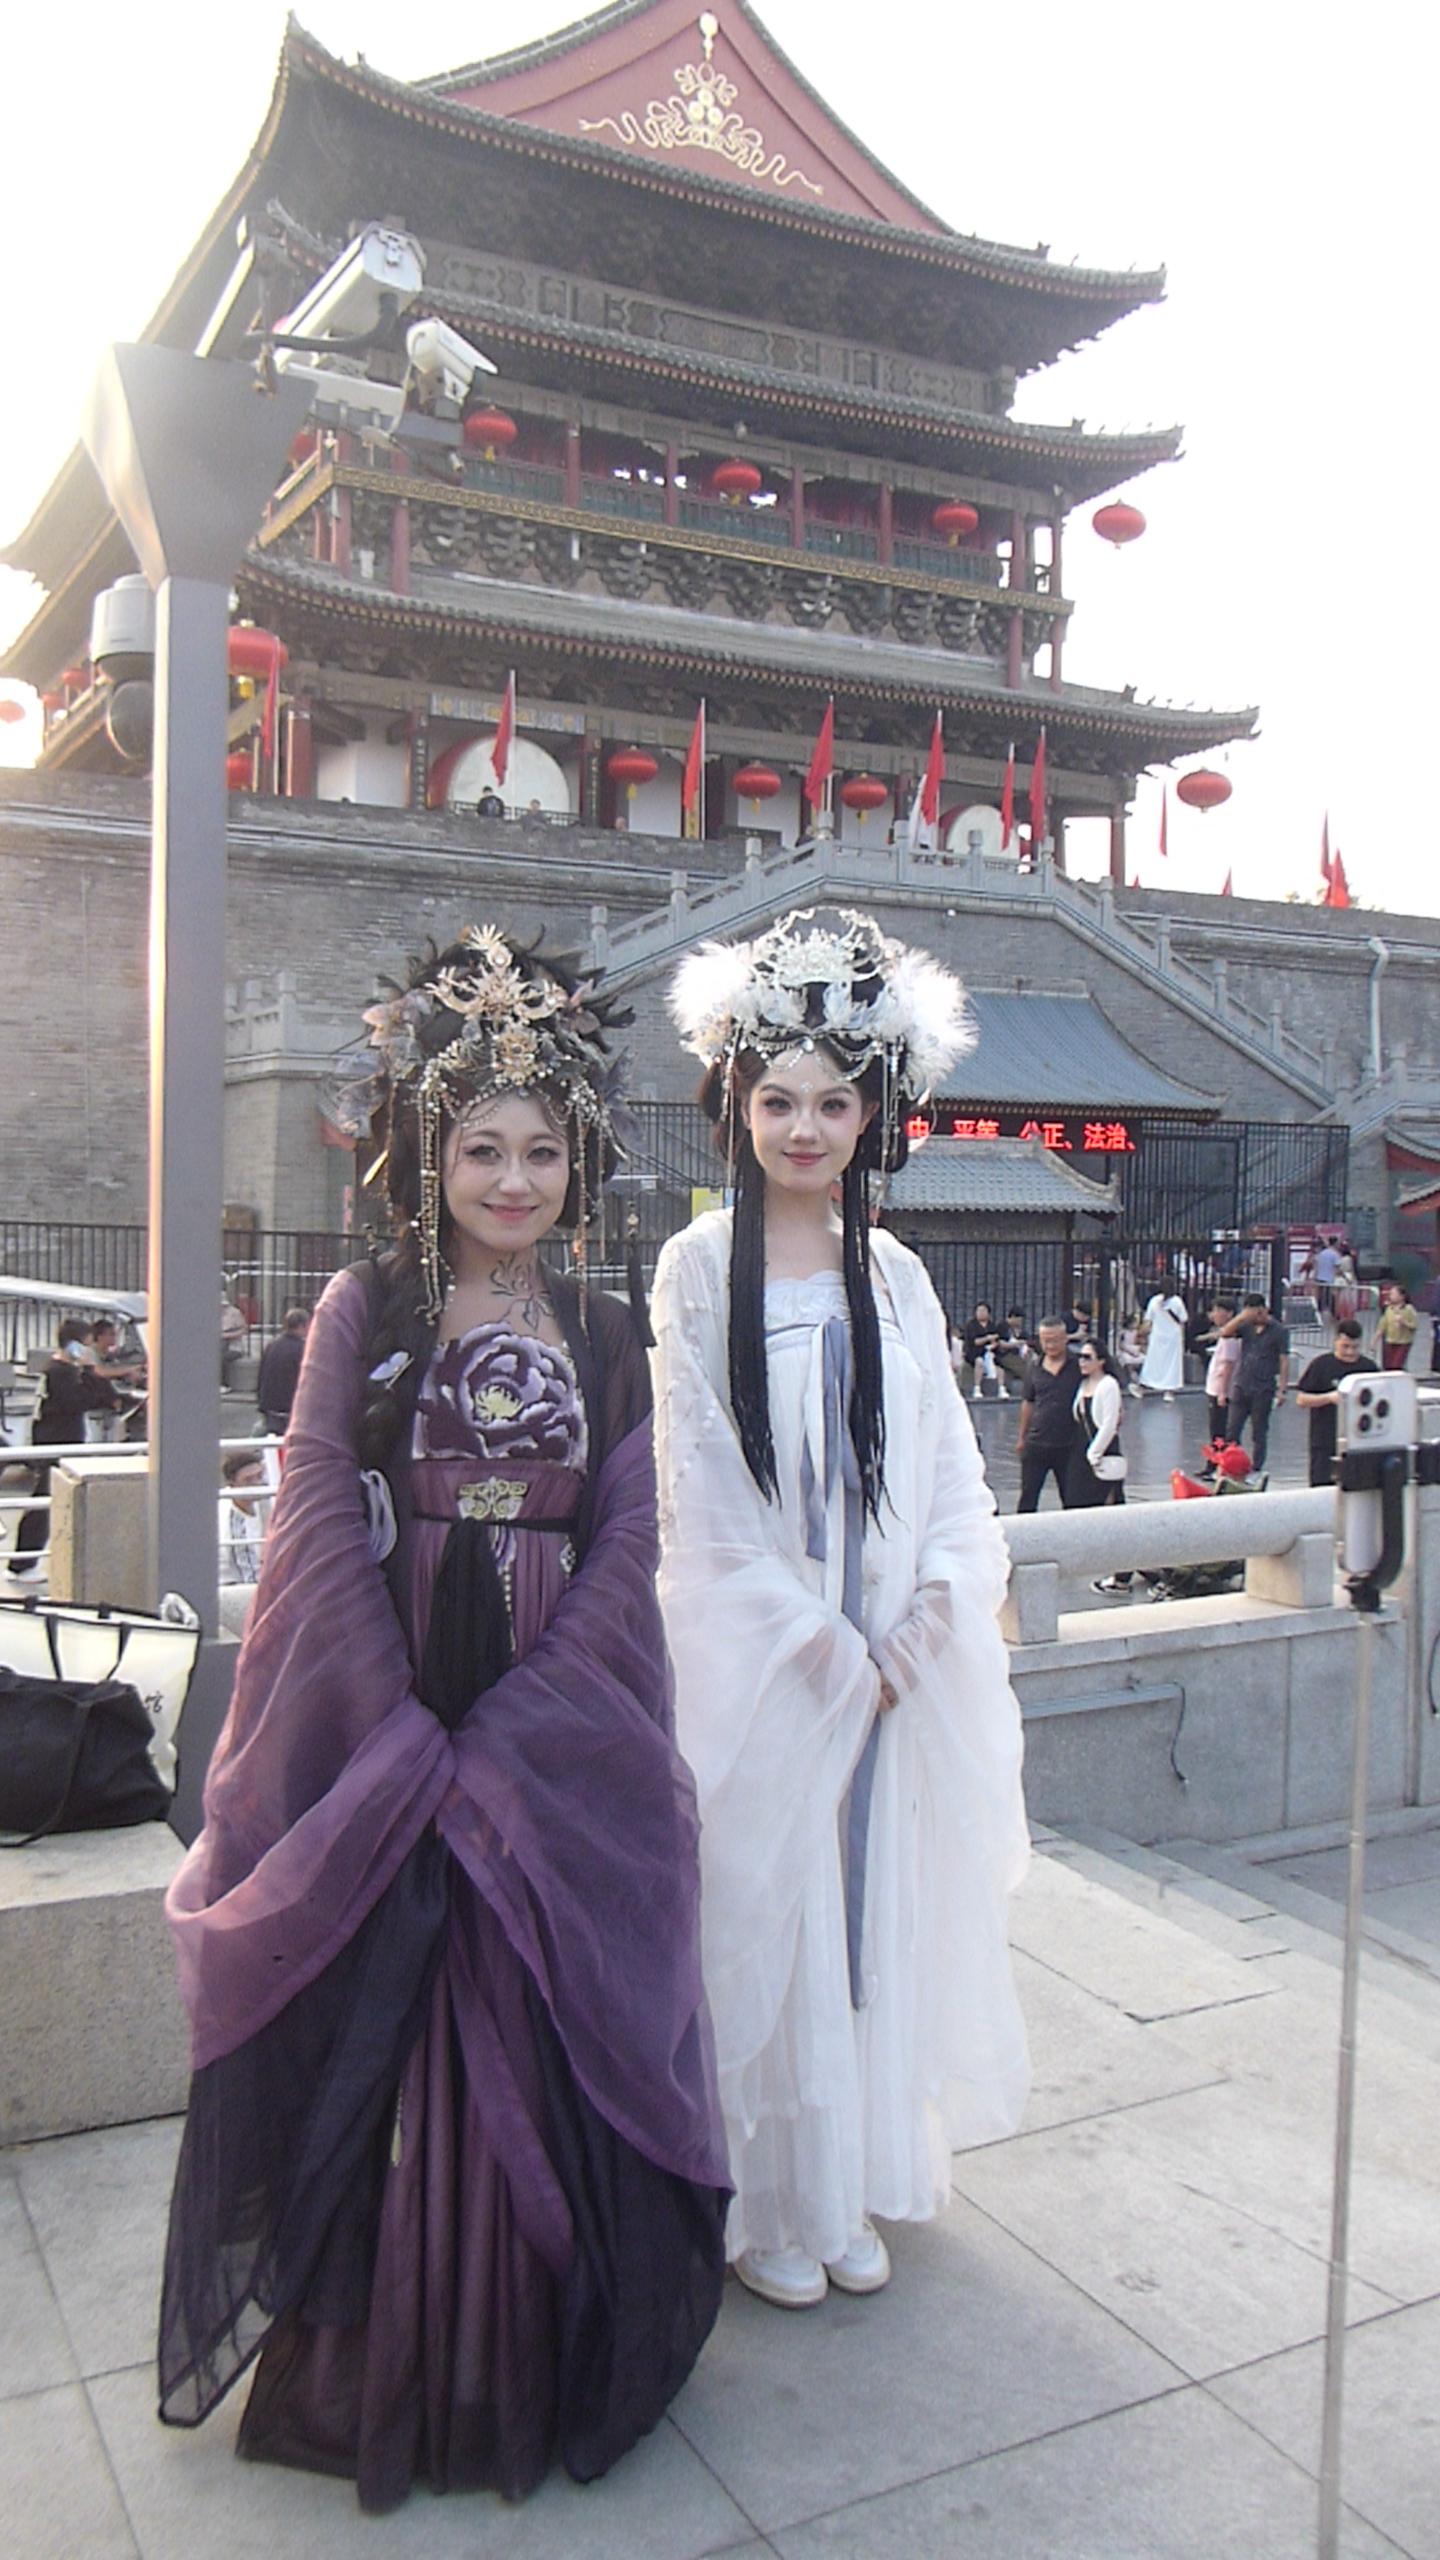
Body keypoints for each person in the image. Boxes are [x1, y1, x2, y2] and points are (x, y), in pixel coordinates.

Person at [158, 925, 729, 2509]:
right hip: (395, 1692)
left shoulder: (611, 1333)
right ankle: (395, 2353)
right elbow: (312, 1522)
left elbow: (631, 1535)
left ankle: (530, 2350)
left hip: (551, 1719)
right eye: (480, 1143)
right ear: (426, 1141)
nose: (512, 1177)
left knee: (543, 1999)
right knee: (399, 2010)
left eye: (544, 1148)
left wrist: (535, 1723)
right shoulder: (364, 1306)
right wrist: (398, 1731)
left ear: (584, 1159)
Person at [653, 908, 1029, 2311]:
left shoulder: (900, 1276)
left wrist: (927, 1615)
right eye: (777, 1101)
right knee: (776, 1907)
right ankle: (774, 2200)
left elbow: (946, 1474)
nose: (804, 1129)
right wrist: (819, 1649)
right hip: (774, 1663)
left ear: (874, 1116)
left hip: (891, 1659)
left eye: (832, 1102)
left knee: (872, 1912)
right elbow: (702, 1493)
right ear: (736, 1107)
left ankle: (859, 2168)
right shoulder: (697, 1273)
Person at [7, 1317, 124, 1577]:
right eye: (85, 1345)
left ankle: (26, 1561)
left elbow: (100, 1394)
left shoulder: (65, 1371)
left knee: (52, 1500)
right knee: (44, 1502)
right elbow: (79, 1400)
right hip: (56, 1440)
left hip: (62, 1439)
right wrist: (92, 1373)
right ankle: (22, 1562)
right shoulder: (60, 1373)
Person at [1067, 1342, 1132, 1593]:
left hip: (1102, 1454)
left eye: (1087, 1357)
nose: (1082, 1362)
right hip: (1083, 1453)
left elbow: (1108, 1424)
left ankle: (1121, 1572)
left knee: (1112, 1510)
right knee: (1081, 1504)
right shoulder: (1083, 1385)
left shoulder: (1108, 1385)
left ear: (1101, 1360)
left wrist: (1094, 1453)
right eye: (1080, 1357)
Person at [1295, 1320, 1377, 1487]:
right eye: (1345, 1347)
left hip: (1358, 1441)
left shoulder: (1369, 1368)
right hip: (1325, 1439)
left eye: (1355, 1347)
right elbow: (1302, 1399)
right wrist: (1328, 1398)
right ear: (1336, 1342)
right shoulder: (1321, 1365)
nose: (1350, 1352)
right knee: (1321, 1486)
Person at [1016, 1317, 1081, 1512]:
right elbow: (1028, 1402)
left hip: (1070, 1443)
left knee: (1072, 1498)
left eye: (1055, 1340)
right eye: (1045, 1340)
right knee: (1028, 1495)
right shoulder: (1034, 1367)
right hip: (1038, 1441)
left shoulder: (1078, 1365)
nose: (1050, 1345)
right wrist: (1022, 1437)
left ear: (1065, 1339)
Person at [1221, 1293, 1290, 1473]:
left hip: (1263, 1387)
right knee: (1232, 1430)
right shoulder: (1246, 1326)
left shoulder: (1279, 1331)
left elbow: (1284, 1360)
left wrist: (1282, 1389)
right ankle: (1233, 1464)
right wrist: (1242, 1317)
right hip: (1242, 1383)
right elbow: (1225, 1332)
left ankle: (1257, 1467)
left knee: (1259, 1432)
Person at [1196, 1296, 1240, 1474]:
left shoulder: (1230, 1337)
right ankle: (1215, 1462)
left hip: (1220, 1389)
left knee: (1219, 1430)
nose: (1213, 1315)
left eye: (1217, 1311)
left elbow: (1228, 1366)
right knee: (1216, 1430)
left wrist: (1222, 1392)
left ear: (1228, 1314)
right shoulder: (1226, 1334)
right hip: (1216, 1386)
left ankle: (1218, 1464)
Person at [254, 1306, 310, 1436]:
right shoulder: (303, 1349)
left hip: (270, 1407)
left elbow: (261, 1375)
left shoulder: (272, 1345)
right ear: (303, 1325)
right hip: (289, 1409)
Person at [218, 1449, 269, 1586]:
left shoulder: (258, 1502)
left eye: (259, 1476)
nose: (257, 1484)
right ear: (232, 1484)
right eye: (248, 1480)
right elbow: (248, 1577)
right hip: (232, 1586)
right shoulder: (232, 1519)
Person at [1133, 1276, 1187, 1401]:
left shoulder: (1154, 1301)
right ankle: (1169, 1391)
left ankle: (1143, 1386)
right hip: (1173, 1337)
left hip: (1157, 1336)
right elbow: (1183, 1320)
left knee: (1153, 1362)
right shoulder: (1177, 1301)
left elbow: (1148, 1321)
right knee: (1172, 1364)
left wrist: (1140, 1333)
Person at [962, 1299, 1008, 1400]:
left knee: (999, 1365)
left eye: (983, 1311)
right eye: (979, 1311)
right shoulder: (971, 1325)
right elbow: (974, 1341)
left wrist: (994, 1344)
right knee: (979, 1362)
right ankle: (977, 1388)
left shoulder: (992, 1325)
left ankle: (1001, 1388)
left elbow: (997, 1339)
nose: (981, 1313)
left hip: (989, 1351)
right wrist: (987, 1338)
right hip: (974, 1352)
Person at [1376, 1280, 1420, 1372]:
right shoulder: (1389, 1309)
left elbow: (1414, 1325)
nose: (1390, 1296)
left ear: (1402, 1296)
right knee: (1387, 1365)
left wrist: (1404, 1322)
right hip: (1390, 1340)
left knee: (1396, 1365)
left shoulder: (1409, 1309)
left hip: (1403, 1342)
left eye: (1393, 1294)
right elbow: (1382, 1325)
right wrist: (1375, 1340)